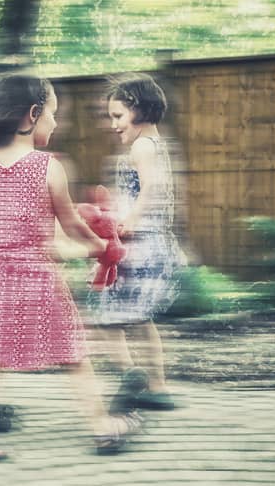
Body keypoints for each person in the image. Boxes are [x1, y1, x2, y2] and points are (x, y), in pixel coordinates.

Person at [0, 74, 143, 462]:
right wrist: (102, 246)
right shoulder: (48, 167)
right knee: (73, 355)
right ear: (32, 115)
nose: (56, 122)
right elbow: (72, 225)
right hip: (35, 278)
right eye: (52, 114)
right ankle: (101, 427)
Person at [88, 73, 187, 413]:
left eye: (118, 116)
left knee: (105, 318)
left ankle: (130, 376)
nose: (113, 125)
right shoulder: (157, 145)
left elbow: (151, 189)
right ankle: (158, 388)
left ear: (139, 109)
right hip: (152, 243)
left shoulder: (142, 146)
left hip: (137, 246)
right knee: (142, 320)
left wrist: (129, 220)